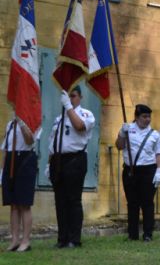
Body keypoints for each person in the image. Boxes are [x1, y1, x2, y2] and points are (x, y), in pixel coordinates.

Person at [47, 85, 95, 248]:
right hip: (58, 160)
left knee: (73, 200)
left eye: (73, 96)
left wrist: (68, 106)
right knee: (60, 201)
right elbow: (53, 142)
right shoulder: (59, 118)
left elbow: (79, 126)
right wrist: (49, 163)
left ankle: (74, 239)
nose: (70, 99)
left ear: (80, 97)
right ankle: (62, 238)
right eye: (68, 96)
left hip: (75, 159)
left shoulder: (86, 114)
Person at [116, 104, 160, 241]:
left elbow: (159, 153)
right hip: (130, 170)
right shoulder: (128, 129)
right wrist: (121, 133)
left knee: (147, 203)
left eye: (149, 117)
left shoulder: (154, 134)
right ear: (136, 117)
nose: (147, 119)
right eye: (144, 116)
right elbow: (119, 146)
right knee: (132, 203)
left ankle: (148, 234)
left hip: (148, 170)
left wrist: (159, 171)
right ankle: (133, 234)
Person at [1, 117, 38, 252]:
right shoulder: (10, 124)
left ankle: (26, 241)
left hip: (25, 159)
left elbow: (29, 140)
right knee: (13, 204)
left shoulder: (33, 120)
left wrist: (22, 122)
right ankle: (15, 240)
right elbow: (6, 148)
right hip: (11, 161)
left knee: (24, 203)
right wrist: (2, 170)